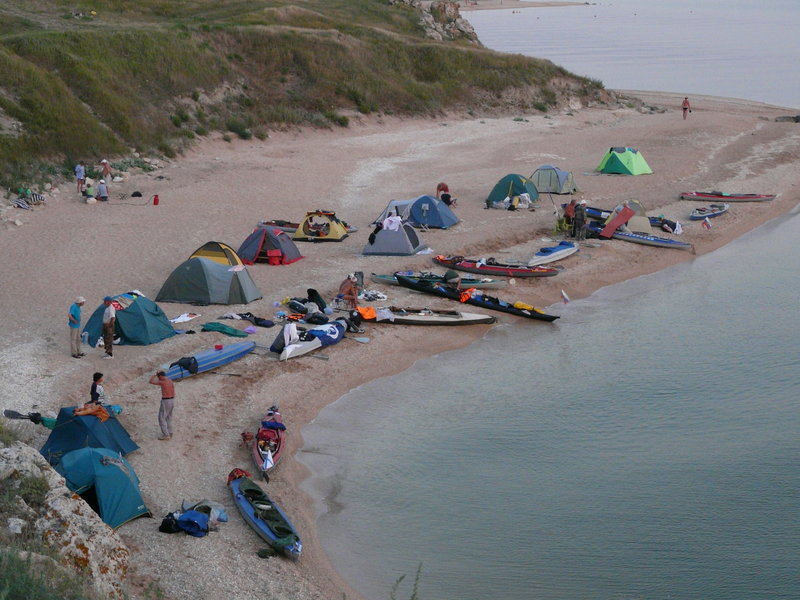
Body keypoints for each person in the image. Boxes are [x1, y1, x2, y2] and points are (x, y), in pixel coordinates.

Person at [149, 370, 175, 440]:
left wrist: (154, 375)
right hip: (172, 400)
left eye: (158, 377)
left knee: (161, 418)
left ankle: (166, 435)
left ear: (160, 376)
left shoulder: (162, 382)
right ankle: (170, 432)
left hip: (166, 401)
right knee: (168, 417)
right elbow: (173, 389)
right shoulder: (170, 380)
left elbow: (150, 381)